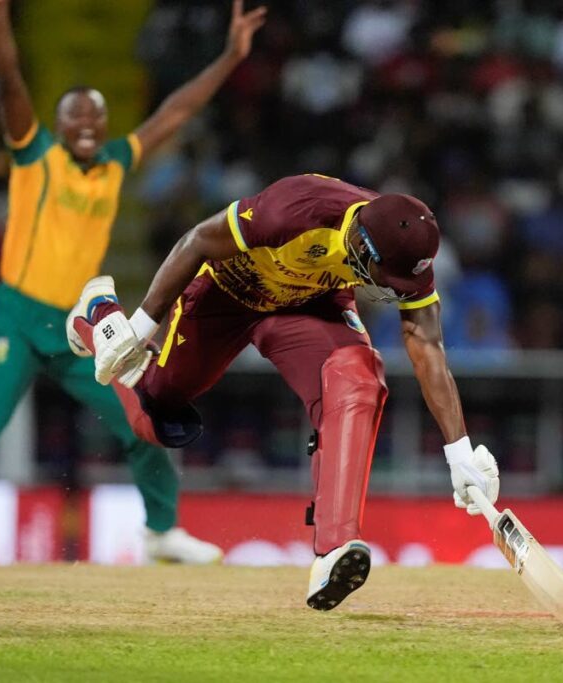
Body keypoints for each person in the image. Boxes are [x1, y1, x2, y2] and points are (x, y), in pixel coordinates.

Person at [0, 0, 267, 567]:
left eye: (95, 117)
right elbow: (8, 79)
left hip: (81, 328)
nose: (88, 126)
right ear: (58, 123)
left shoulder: (117, 160)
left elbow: (176, 111)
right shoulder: (34, 154)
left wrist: (229, 56)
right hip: (17, 319)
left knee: (145, 418)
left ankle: (161, 532)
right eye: (76, 118)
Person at [66, 174, 501, 610]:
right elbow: (199, 240)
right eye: (384, 277)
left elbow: (425, 341)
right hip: (229, 292)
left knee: (359, 378)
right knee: (156, 415)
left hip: (309, 305)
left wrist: (459, 452)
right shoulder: (295, 208)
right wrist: (140, 329)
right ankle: (98, 314)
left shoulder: (405, 245)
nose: (389, 289)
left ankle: (334, 550)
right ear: (359, 243)